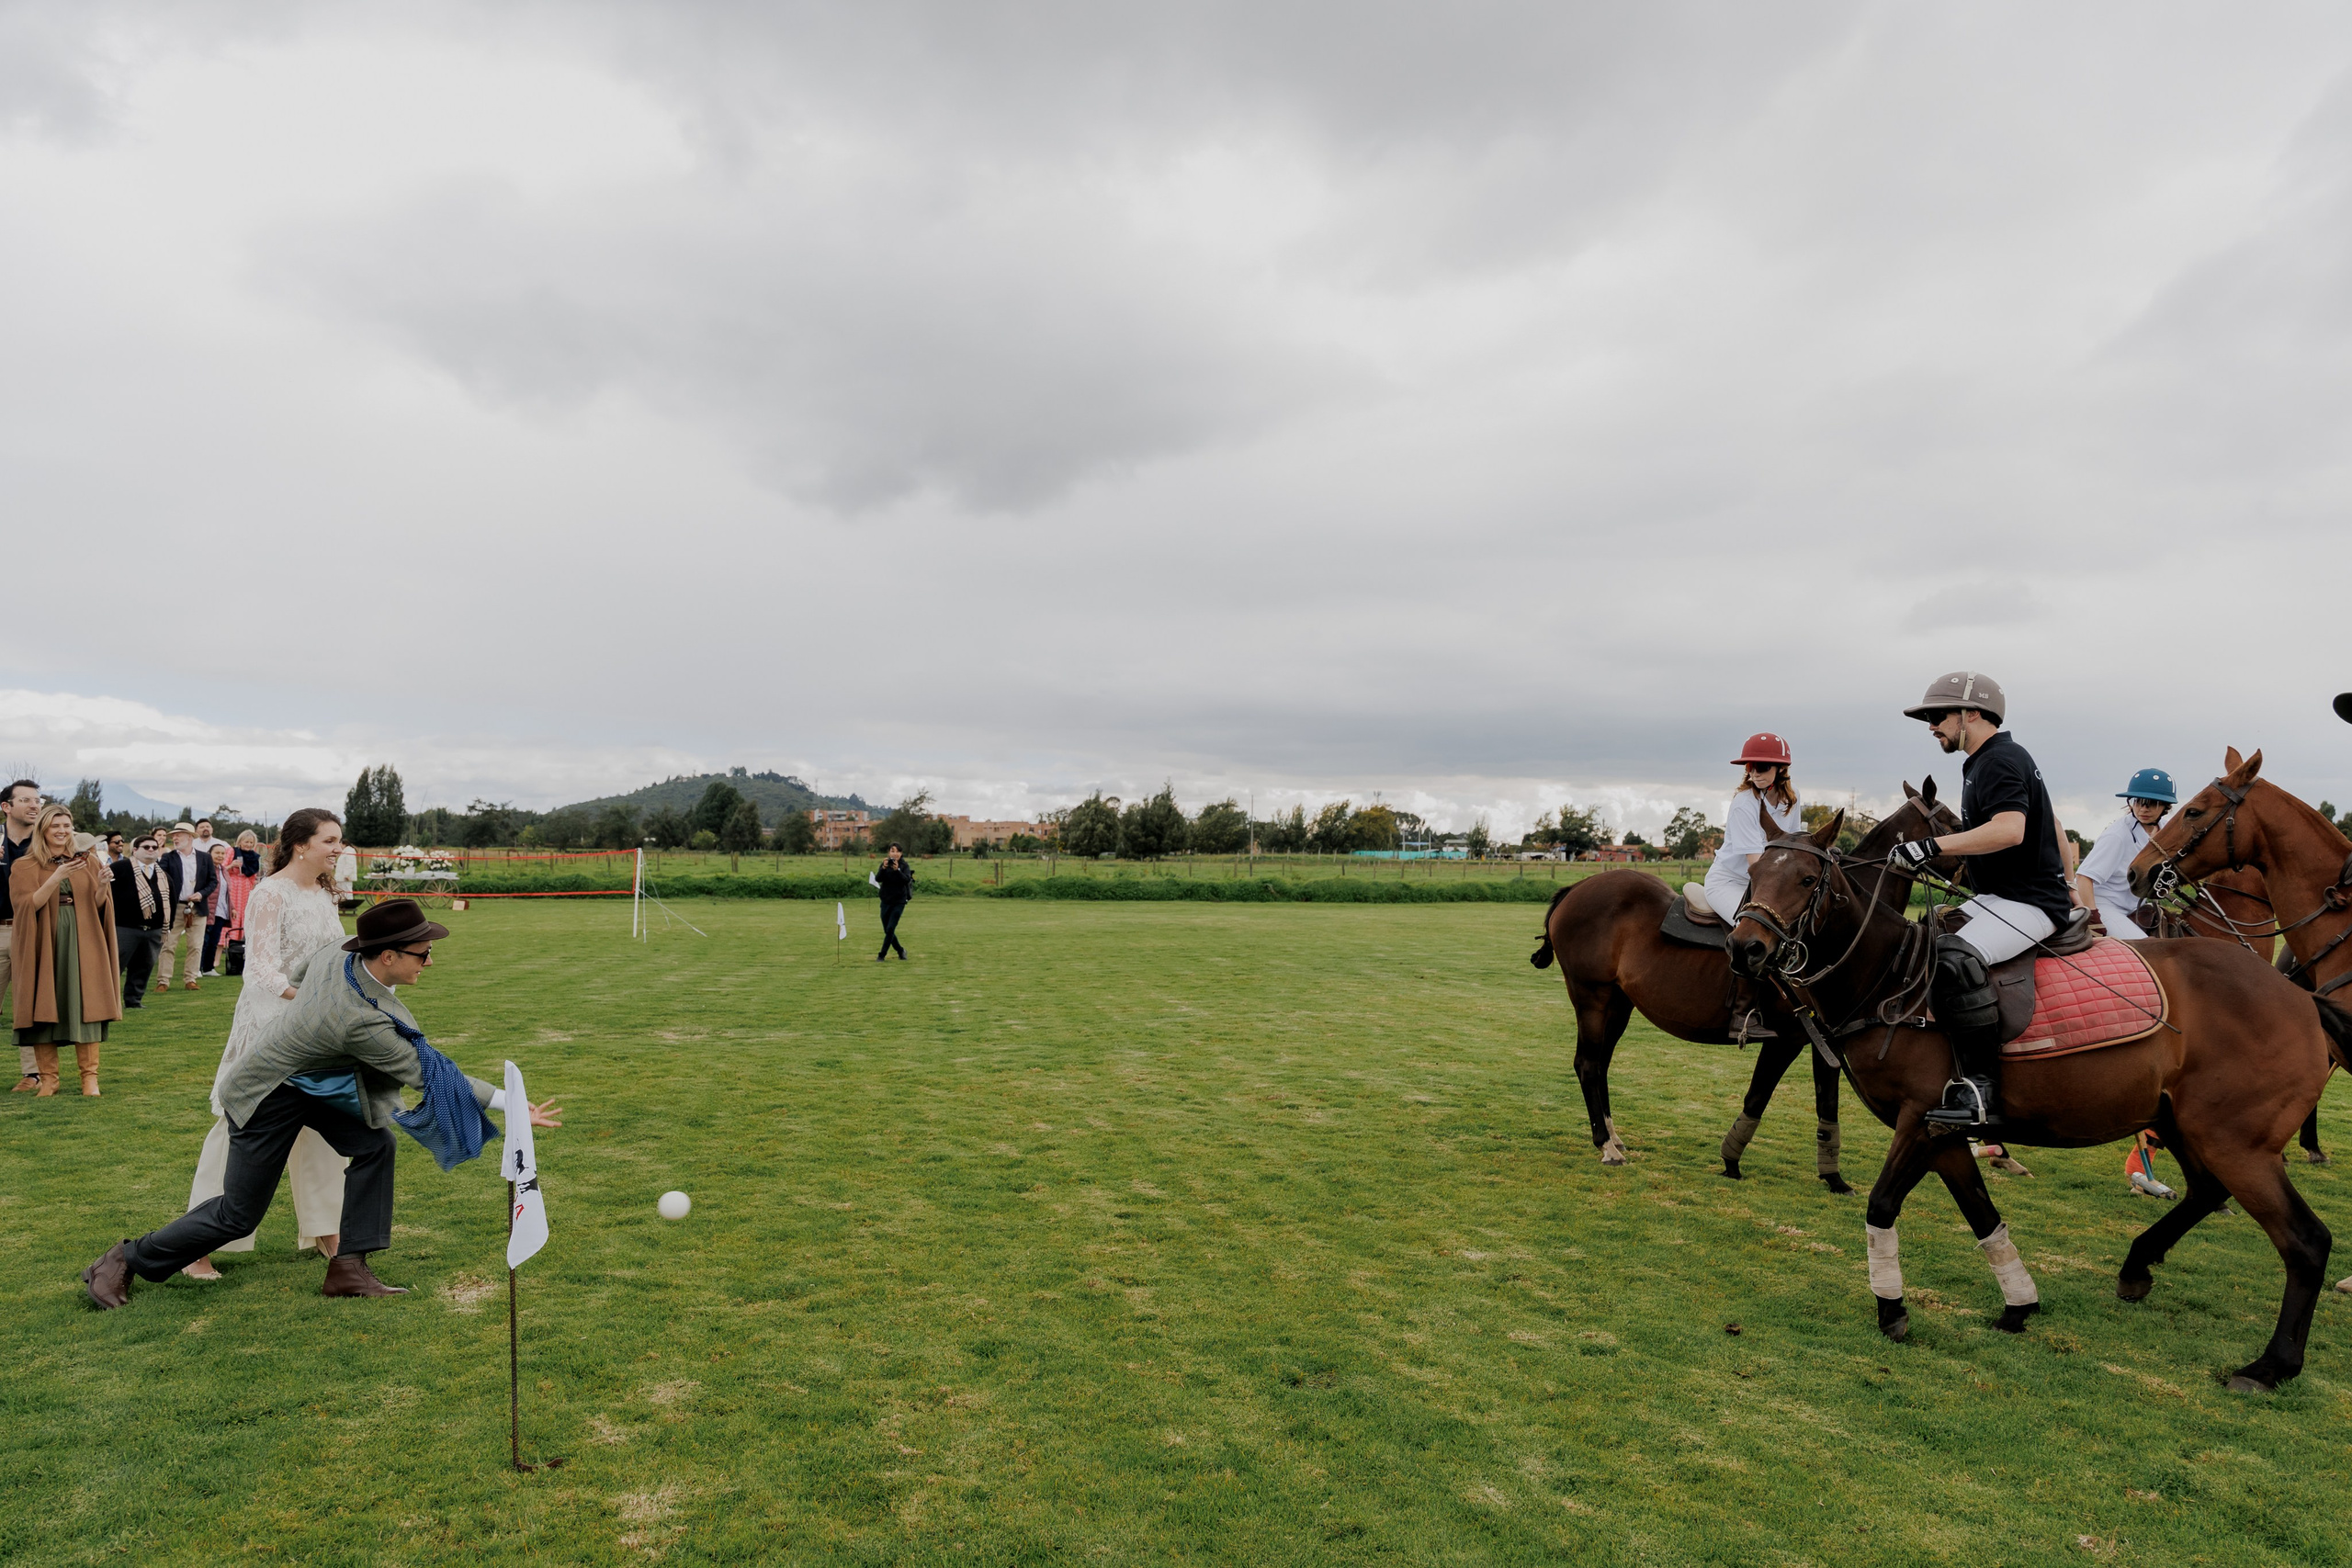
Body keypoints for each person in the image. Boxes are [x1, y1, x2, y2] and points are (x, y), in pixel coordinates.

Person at [82, 898, 566, 1309]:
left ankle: (348, 1268)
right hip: (268, 1092)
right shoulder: (357, 1020)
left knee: (375, 1145)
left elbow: (298, 970)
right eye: (423, 953)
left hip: (310, 1085)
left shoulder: (342, 949)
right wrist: (512, 1103)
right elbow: (426, 1072)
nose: (430, 962)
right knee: (238, 1214)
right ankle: (124, 1258)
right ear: (389, 956)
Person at [1889, 672, 2076, 1129]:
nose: (1931, 726)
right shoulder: (1985, 761)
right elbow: (2049, 821)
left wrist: (1932, 847)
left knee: (1954, 959)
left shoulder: (1999, 760)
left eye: (1937, 716)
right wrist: (2070, 883)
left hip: (2027, 903)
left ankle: (1980, 1089)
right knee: (1923, 933)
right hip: (2003, 897)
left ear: (1972, 713)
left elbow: (2011, 830)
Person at [179, 808, 355, 1280]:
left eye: (340, 840)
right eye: (331, 840)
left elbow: (334, 959)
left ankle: (327, 1229)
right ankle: (196, 1246)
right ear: (300, 844)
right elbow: (261, 969)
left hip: (316, 1030)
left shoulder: (323, 893)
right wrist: (312, 1000)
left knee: (323, 1124)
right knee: (238, 1130)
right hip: (270, 1026)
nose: (339, 848)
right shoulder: (268, 894)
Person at [9, 804, 122, 1097]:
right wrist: (56, 877)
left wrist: (101, 887)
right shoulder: (25, 865)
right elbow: (26, 906)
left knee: (87, 1004)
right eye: (55, 826)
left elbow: (99, 906)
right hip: (43, 942)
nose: (61, 831)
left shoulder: (89, 861)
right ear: (42, 830)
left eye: (66, 825)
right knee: (42, 1004)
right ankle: (49, 1079)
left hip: (84, 939)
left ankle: (90, 1079)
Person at [1693, 733, 1804, 924]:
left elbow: (1793, 844)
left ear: (1781, 769)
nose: (1754, 773)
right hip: (1730, 883)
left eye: (1761, 767)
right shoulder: (1744, 804)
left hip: (1764, 884)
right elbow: (1756, 865)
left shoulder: (1793, 798)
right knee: (1756, 928)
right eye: (1749, 767)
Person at [2074, 769, 2176, 941]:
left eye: (2151, 803)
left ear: (2166, 806)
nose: (2143, 808)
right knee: (2147, 948)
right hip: (2106, 906)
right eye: (2137, 801)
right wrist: (2092, 917)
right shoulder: (2117, 835)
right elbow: (2083, 877)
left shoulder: (2167, 830)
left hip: (2136, 905)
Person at [4, 779, 44, 1090]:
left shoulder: (45, 845)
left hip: (31, 931)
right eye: (26, 800)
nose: (34, 805)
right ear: (6, 807)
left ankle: (33, 1074)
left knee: (29, 1004)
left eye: (38, 800)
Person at [111, 834, 175, 1008]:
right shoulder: (119, 868)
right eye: (146, 847)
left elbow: (171, 901)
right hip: (124, 928)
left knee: (144, 967)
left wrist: (167, 927)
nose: (151, 850)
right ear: (135, 850)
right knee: (113, 966)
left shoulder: (163, 876)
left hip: (154, 930)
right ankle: (107, 1002)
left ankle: (134, 1000)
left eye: (154, 847)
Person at [156, 822, 216, 991]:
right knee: (168, 945)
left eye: (178, 835)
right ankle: (163, 981)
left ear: (189, 837)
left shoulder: (204, 858)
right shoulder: (168, 857)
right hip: (175, 908)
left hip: (198, 908)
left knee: (196, 945)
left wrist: (201, 894)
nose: (174, 838)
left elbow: (213, 881)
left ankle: (190, 979)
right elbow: (161, 878)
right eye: (173, 836)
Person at [200, 842, 235, 976]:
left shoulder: (224, 870)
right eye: (217, 853)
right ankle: (198, 968)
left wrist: (232, 908)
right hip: (208, 910)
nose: (220, 856)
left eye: (222, 853)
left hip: (221, 911)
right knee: (204, 941)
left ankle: (209, 968)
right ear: (210, 854)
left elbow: (227, 892)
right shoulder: (205, 869)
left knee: (214, 941)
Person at [874, 843, 913, 960]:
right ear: (889, 853)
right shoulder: (885, 864)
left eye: (897, 851)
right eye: (892, 851)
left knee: (891, 928)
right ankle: (900, 950)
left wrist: (897, 870)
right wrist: (883, 868)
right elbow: (878, 879)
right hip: (885, 901)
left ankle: (882, 955)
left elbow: (906, 880)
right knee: (887, 930)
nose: (895, 854)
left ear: (901, 854)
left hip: (899, 902)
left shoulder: (904, 866)